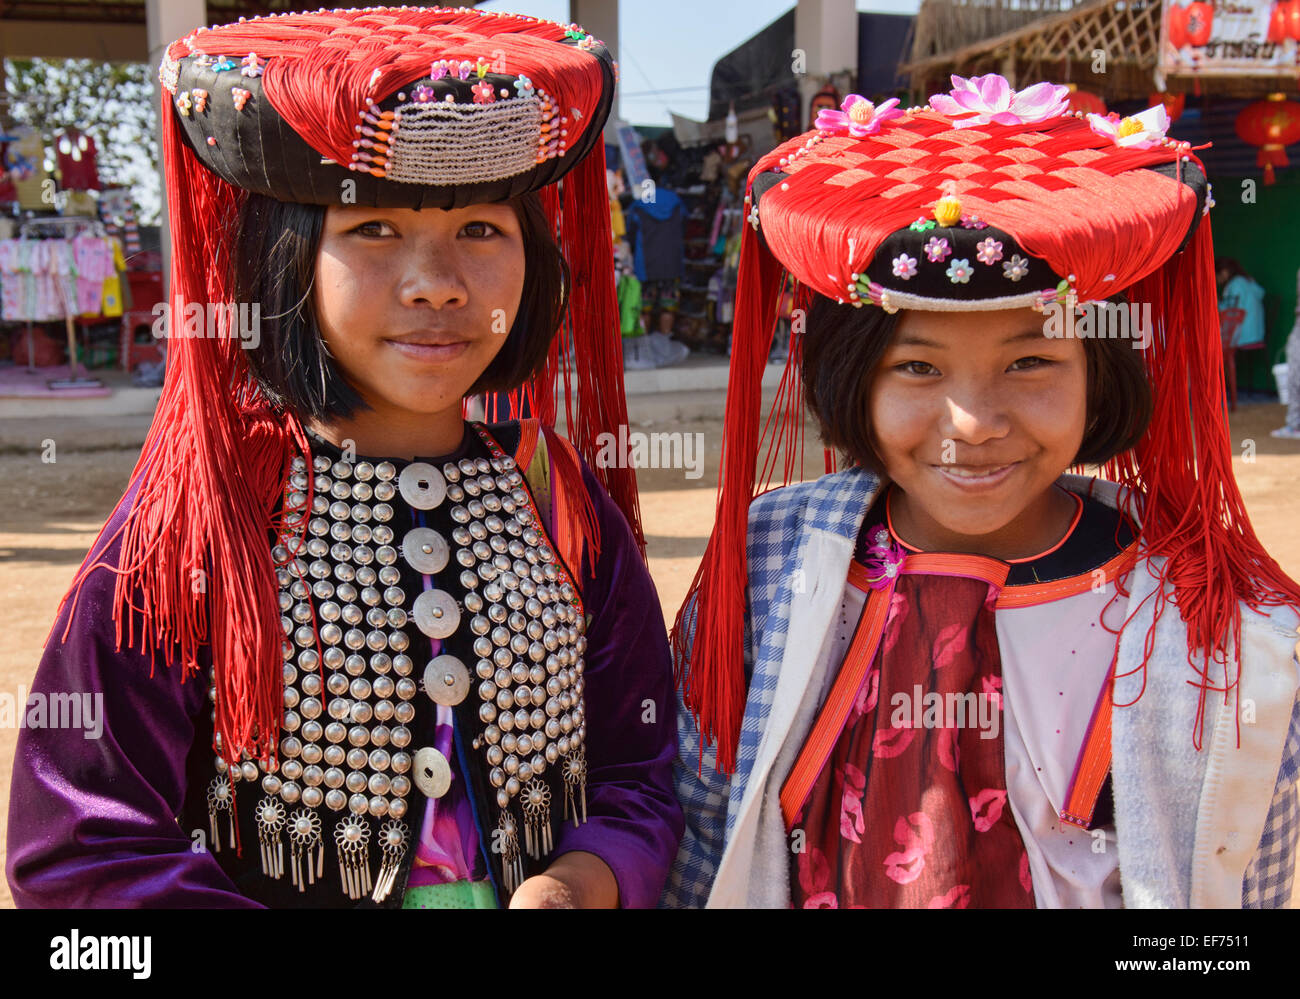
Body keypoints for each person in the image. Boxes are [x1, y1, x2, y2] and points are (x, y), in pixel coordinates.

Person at [7, 7, 682, 910]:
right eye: (373, 230)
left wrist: (584, 878)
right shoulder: (204, 515)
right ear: (285, 262)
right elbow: (84, 847)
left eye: (483, 229)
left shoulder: (559, 498)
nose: (437, 280)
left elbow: (640, 765)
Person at [663, 82, 1300, 908]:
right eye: (918, 367)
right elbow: (705, 836)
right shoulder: (768, 566)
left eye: (1031, 362)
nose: (974, 422)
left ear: (1100, 376)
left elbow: (1238, 890)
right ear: (855, 382)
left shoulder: (1213, 624)